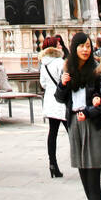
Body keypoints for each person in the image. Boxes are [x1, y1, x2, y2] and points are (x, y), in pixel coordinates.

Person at [55, 33, 101, 200]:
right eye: (81, 46)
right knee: (84, 178)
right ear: (74, 48)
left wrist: (95, 103)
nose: (86, 50)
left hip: (92, 125)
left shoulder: (98, 71)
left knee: (93, 180)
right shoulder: (69, 70)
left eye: (88, 46)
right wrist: (63, 84)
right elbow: (59, 98)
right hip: (74, 126)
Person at [39, 38, 68, 178]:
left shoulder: (44, 63)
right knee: (72, 131)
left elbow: (43, 84)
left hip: (50, 99)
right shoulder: (60, 62)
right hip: (62, 100)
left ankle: (53, 164)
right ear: (54, 48)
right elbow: (66, 81)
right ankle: (81, 161)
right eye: (59, 44)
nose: (61, 46)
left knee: (53, 133)